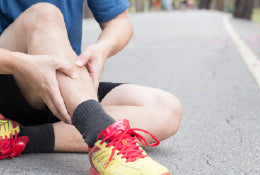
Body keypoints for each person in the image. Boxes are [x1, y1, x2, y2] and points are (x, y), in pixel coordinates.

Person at [0, 1, 182, 174]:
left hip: (63, 86)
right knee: (44, 14)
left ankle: (20, 137)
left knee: (167, 110)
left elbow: (119, 21)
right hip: (9, 79)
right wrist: (21, 63)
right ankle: (103, 135)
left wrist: (103, 47)